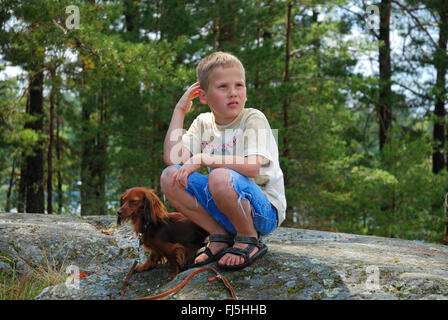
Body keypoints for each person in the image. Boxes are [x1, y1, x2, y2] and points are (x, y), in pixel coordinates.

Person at [161, 51, 286, 271]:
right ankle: (219, 235)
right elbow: (173, 158)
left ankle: (249, 238)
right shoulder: (202, 122)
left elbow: (252, 167)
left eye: (239, 85)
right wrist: (179, 110)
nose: (233, 93)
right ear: (203, 96)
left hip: (262, 211)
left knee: (218, 176)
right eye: (223, 87)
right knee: (169, 176)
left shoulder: (254, 118)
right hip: (225, 205)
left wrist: (204, 158)